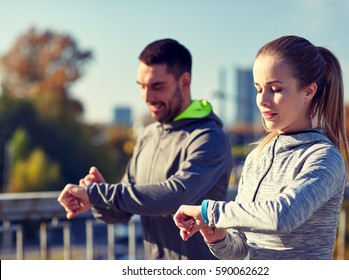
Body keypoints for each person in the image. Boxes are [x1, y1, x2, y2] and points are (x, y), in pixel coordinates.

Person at [173, 35, 349, 260]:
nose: (263, 100)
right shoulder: (257, 157)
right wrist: (218, 237)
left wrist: (210, 212)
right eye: (258, 89)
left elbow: (282, 216)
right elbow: (241, 252)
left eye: (275, 89)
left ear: (308, 91)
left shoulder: (324, 158)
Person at [57, 38, 233, 260]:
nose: (147, 97)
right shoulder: (148, 136)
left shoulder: (209, 138)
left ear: (185, 82)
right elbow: (120, 214)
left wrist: (99, 193)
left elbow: (174, 196)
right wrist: (99, 199)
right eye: (141, 86)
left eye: (157, 86)